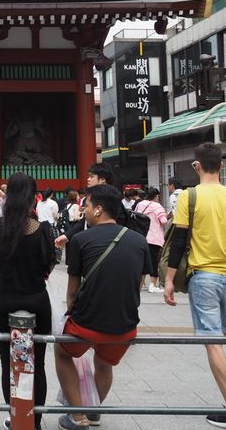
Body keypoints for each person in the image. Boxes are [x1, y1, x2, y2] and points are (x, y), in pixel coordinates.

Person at [164, 143, 226, 430]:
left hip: (204, 275)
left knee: (212, 339)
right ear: (221, 165)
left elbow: (179, 242)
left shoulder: (189, 197)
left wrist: (169, 280)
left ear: (197, 165)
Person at [54, 184, 149, 430]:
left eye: (86, 206)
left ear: (98, 209)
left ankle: (77, 416)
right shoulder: (139, 240)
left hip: (86, 323)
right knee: (104, 363)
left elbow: (73, 289)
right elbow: (137, 284)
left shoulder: (81, 239)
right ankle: (94, 412)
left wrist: (71, 314)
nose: (82, 210)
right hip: (125, 325)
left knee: (62, 353)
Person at [0, 172, 53, 430]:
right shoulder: (42, 229)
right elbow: (48, 265)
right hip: (36, 300)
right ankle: (34, 421)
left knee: (8, 363)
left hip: (3, 301)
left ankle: (16, 417)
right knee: (38, 362)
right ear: (32, 197)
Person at [54, 162, 115, 250]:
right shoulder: (92, 196)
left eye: (91, 176)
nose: (88, 179)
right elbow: (83, 221)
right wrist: (66, 236)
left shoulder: (112, 199)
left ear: (102, 179)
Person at [135, 187, 167, 293]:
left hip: (141, 236)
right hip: (154, 238)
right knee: (154, 261)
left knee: (142, 261)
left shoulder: (140, 204)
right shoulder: (157, 206)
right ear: (156, 196)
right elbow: (163, 221)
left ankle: (140, 284)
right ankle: (152, 285)